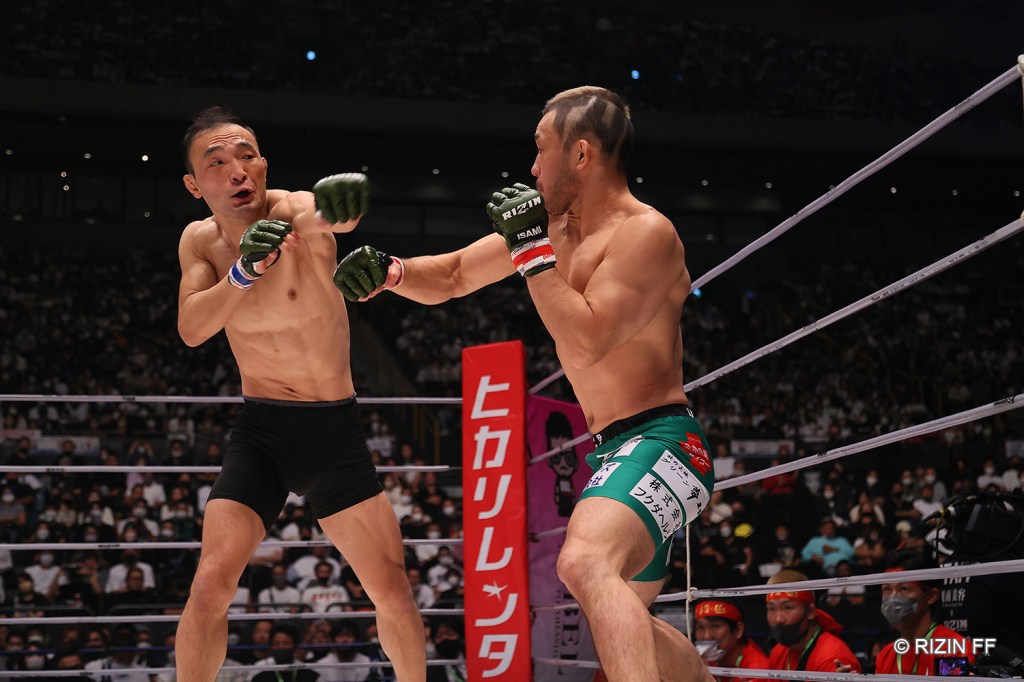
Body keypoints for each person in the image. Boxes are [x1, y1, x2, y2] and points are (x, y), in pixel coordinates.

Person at [334, 86, 712, 681]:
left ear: (581, 155)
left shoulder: (645, 234)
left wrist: (533, 255)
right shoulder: (556, 228)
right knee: (625, 616)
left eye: (542, 151)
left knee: (584, 563)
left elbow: (588, 339)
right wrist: (390, 271)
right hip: (612, 451)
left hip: (664, 442)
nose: (532, 168)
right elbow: (455, 274)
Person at [174, 106, 424, 681]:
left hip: (332, 429)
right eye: (219, 163)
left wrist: (341, 204)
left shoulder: (288, 210)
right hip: (261, 432)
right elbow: (191, 328)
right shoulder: (200, 243)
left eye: (247, 156)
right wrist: (241, 271)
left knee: (391, 588)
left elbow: (327, 218)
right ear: (194, 184)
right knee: (211, 583)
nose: (239, 171)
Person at [874, 549, 974, 675]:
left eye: (904, 589)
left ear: (931, 596)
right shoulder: (885, 656)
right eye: (887, 589)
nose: (893, 598)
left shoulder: (954, 650)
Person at [764, 570, 861, 673]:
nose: (778, 619)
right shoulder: (778, 652)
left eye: (788, 608)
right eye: (771, 609)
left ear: (810, 611)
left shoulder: (832, 657)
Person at [693, 600, 769, 682]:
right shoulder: (702, 660)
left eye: (715, 626)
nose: (707, 636)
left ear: (739, 630)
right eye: (700, 627)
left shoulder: (757, 672)